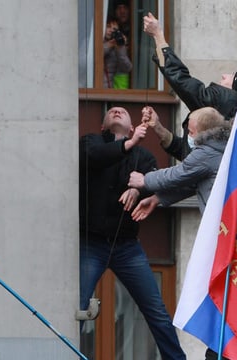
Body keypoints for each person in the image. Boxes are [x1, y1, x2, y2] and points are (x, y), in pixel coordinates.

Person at [130, 106, 237, 360]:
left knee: (236, 297)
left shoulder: (206, 152)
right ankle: (236, 352)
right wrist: (158, 199)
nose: (188, 134)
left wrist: (144, 181)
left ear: (200, 131)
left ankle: (228, 353)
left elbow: (177, 174)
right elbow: (195, 182)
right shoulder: (230, 145)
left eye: (189, 130)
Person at [79, 106, 186, 360]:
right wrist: (129, 144)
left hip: (127, 246)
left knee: (156, 310)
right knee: (79, 307)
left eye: (123, 111)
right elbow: (93, 155)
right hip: (90, 243)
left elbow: (152, 181)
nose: (117, 110)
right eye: (111, 111)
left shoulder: (144, 155)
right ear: (103, 126)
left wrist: (138, 191)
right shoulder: (91, 141)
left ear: (131, 127)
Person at [142, 12, 237, 162]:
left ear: (235, 88)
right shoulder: (225, 111)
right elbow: (187, 153)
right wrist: (158, 127)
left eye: (231, 75)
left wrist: (158, 36)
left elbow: (181, 80)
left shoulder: (224, 99)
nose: (224, 75)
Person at [104, 18, 132, 89]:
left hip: (111, 91)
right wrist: (109, 44)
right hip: (94, 89)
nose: (110, 30)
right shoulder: (92, 41)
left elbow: (126, 68)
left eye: (114, 29)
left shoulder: (117, 48)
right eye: (108, 26)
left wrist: (120, 48)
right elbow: (91, 57)